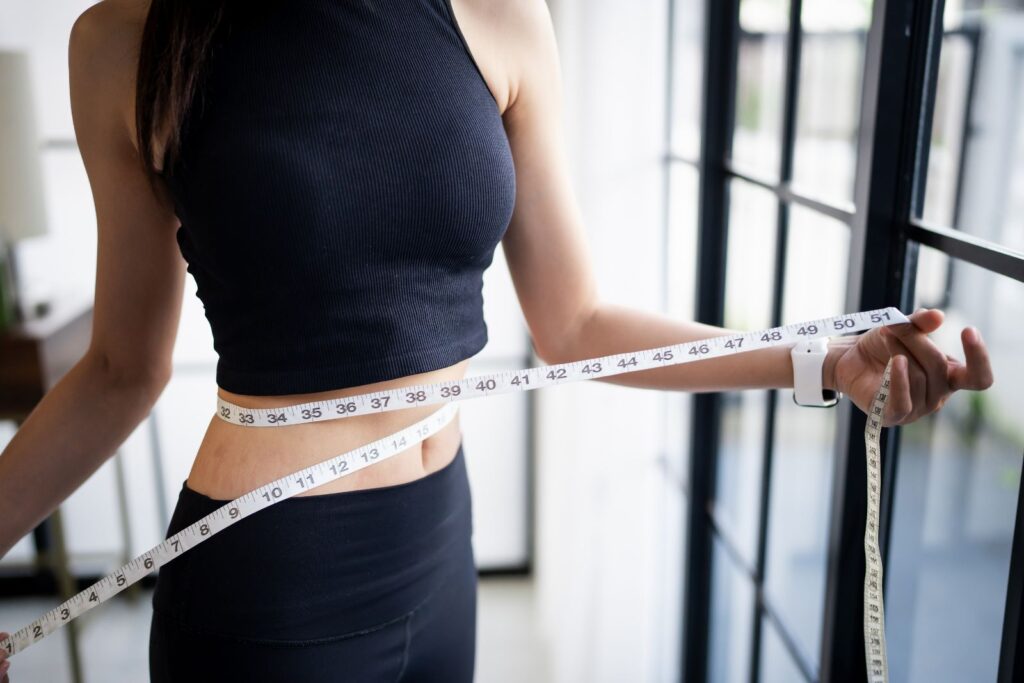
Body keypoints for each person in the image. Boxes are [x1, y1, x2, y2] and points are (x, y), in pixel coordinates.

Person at [0, 0, 994, 681]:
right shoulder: (129, 39)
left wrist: (818, 359)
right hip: (270, 581)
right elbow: (122, 368)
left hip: (441, 544)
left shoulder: (497, 16)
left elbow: (577, 326)